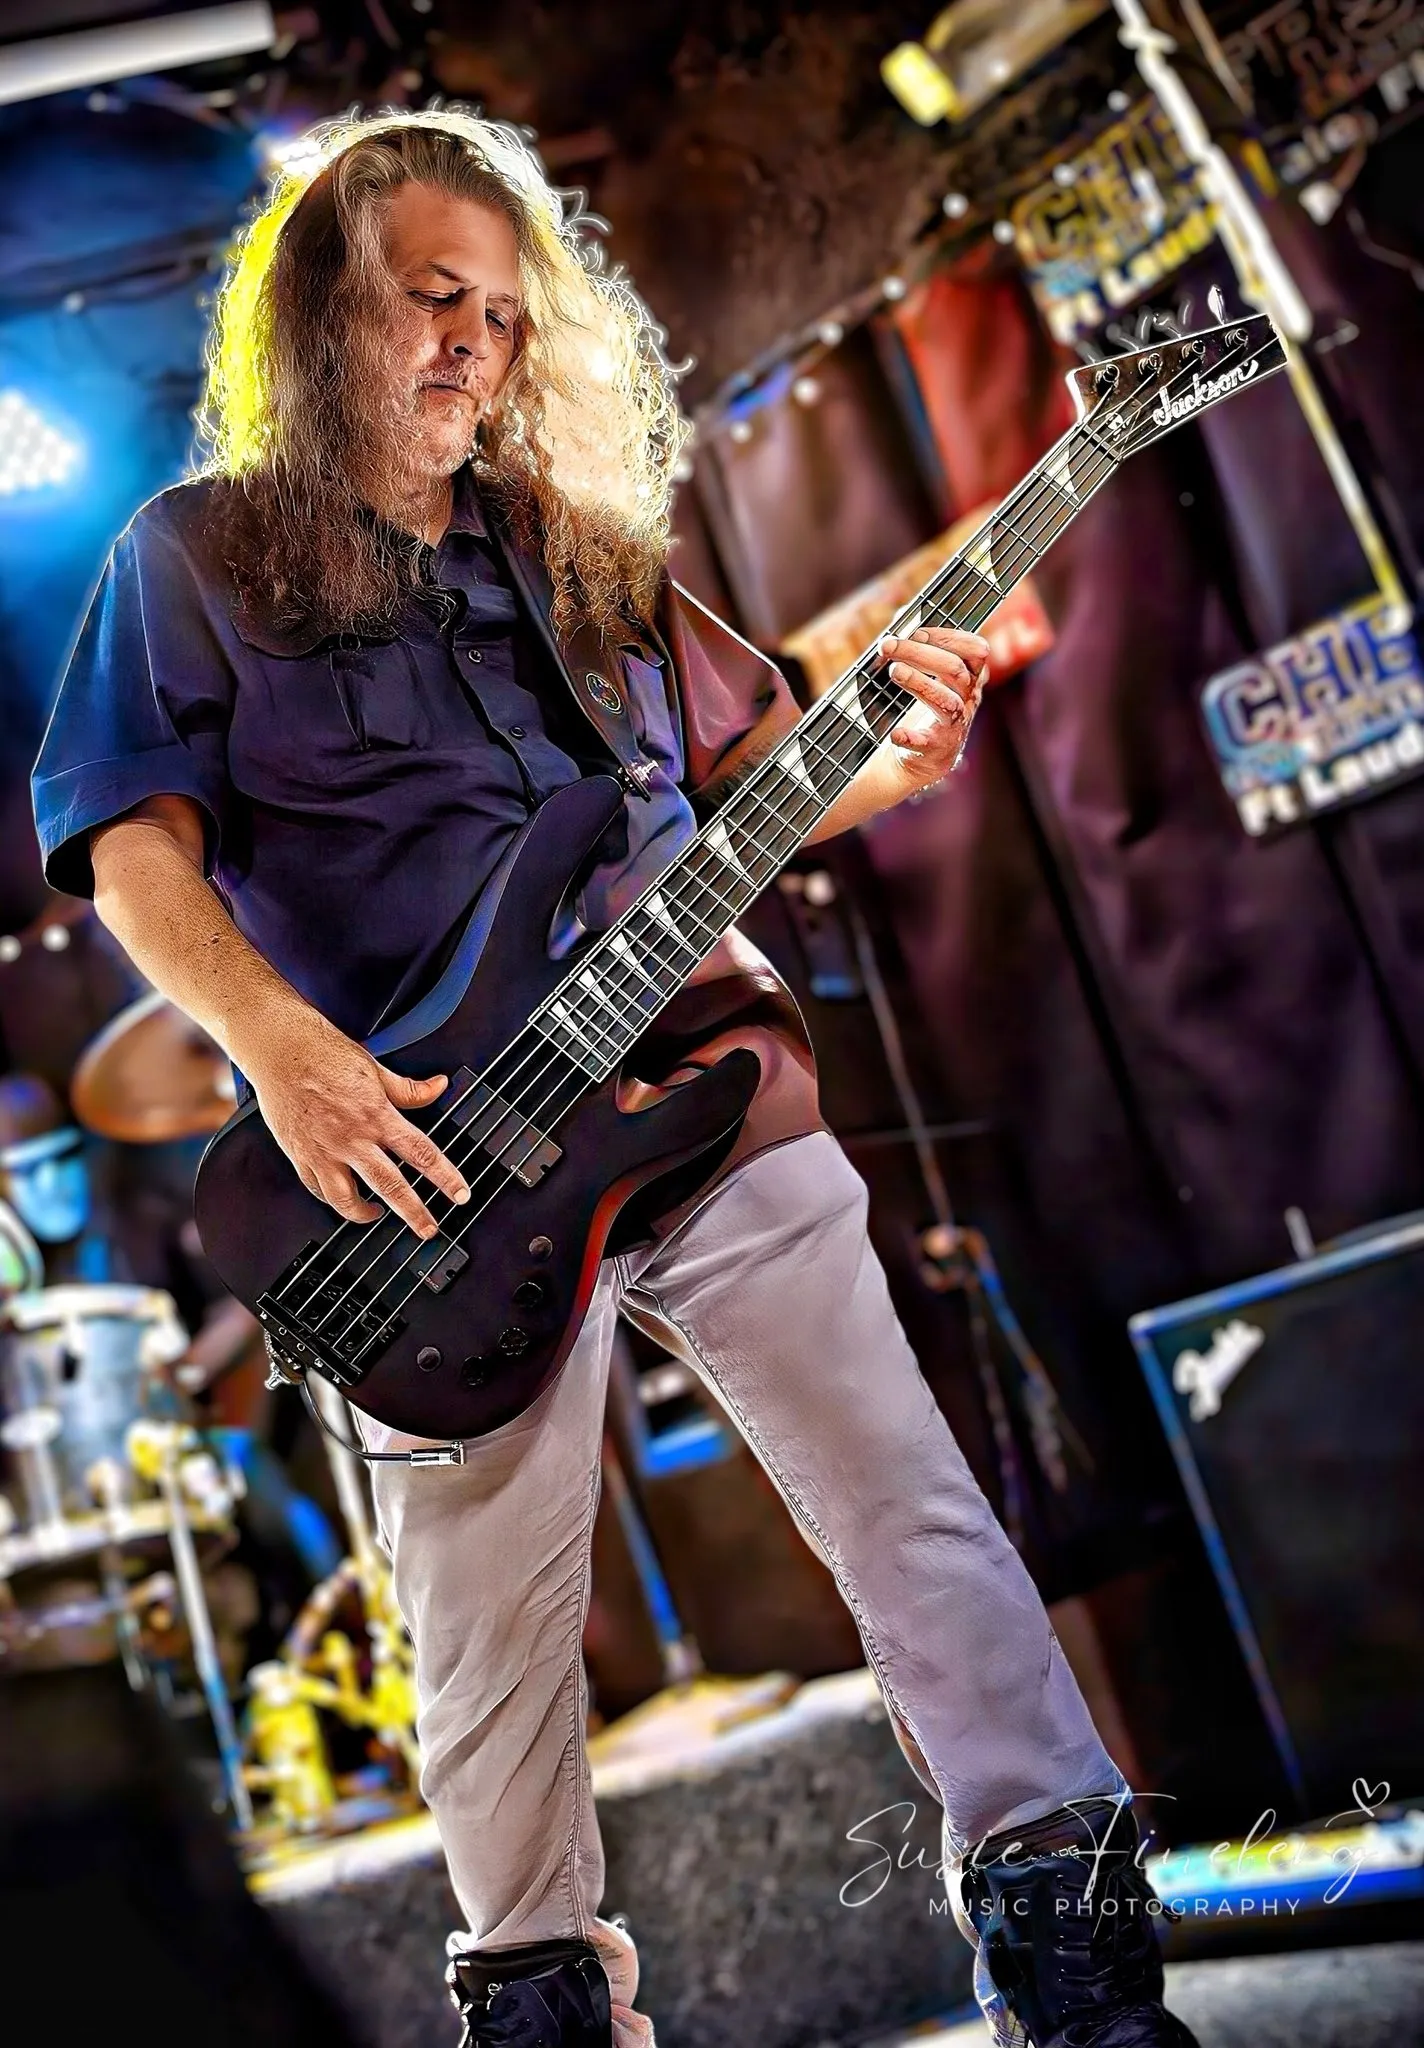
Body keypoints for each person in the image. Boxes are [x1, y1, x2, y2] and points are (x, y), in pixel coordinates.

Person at [32, 109, 1198, 2048]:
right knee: (489, 1650)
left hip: (708, 1084)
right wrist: (287, 1054)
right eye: (431, 296)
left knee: (914, 1506)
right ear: (322, 312)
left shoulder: (585, 553)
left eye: (501, 310)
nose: (472, 342)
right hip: (424, 1168)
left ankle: (1074, 1955)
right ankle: (547, 2008)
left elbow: (745, 789)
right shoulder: (199, 557)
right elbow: (132, 849)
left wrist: (892, 756)